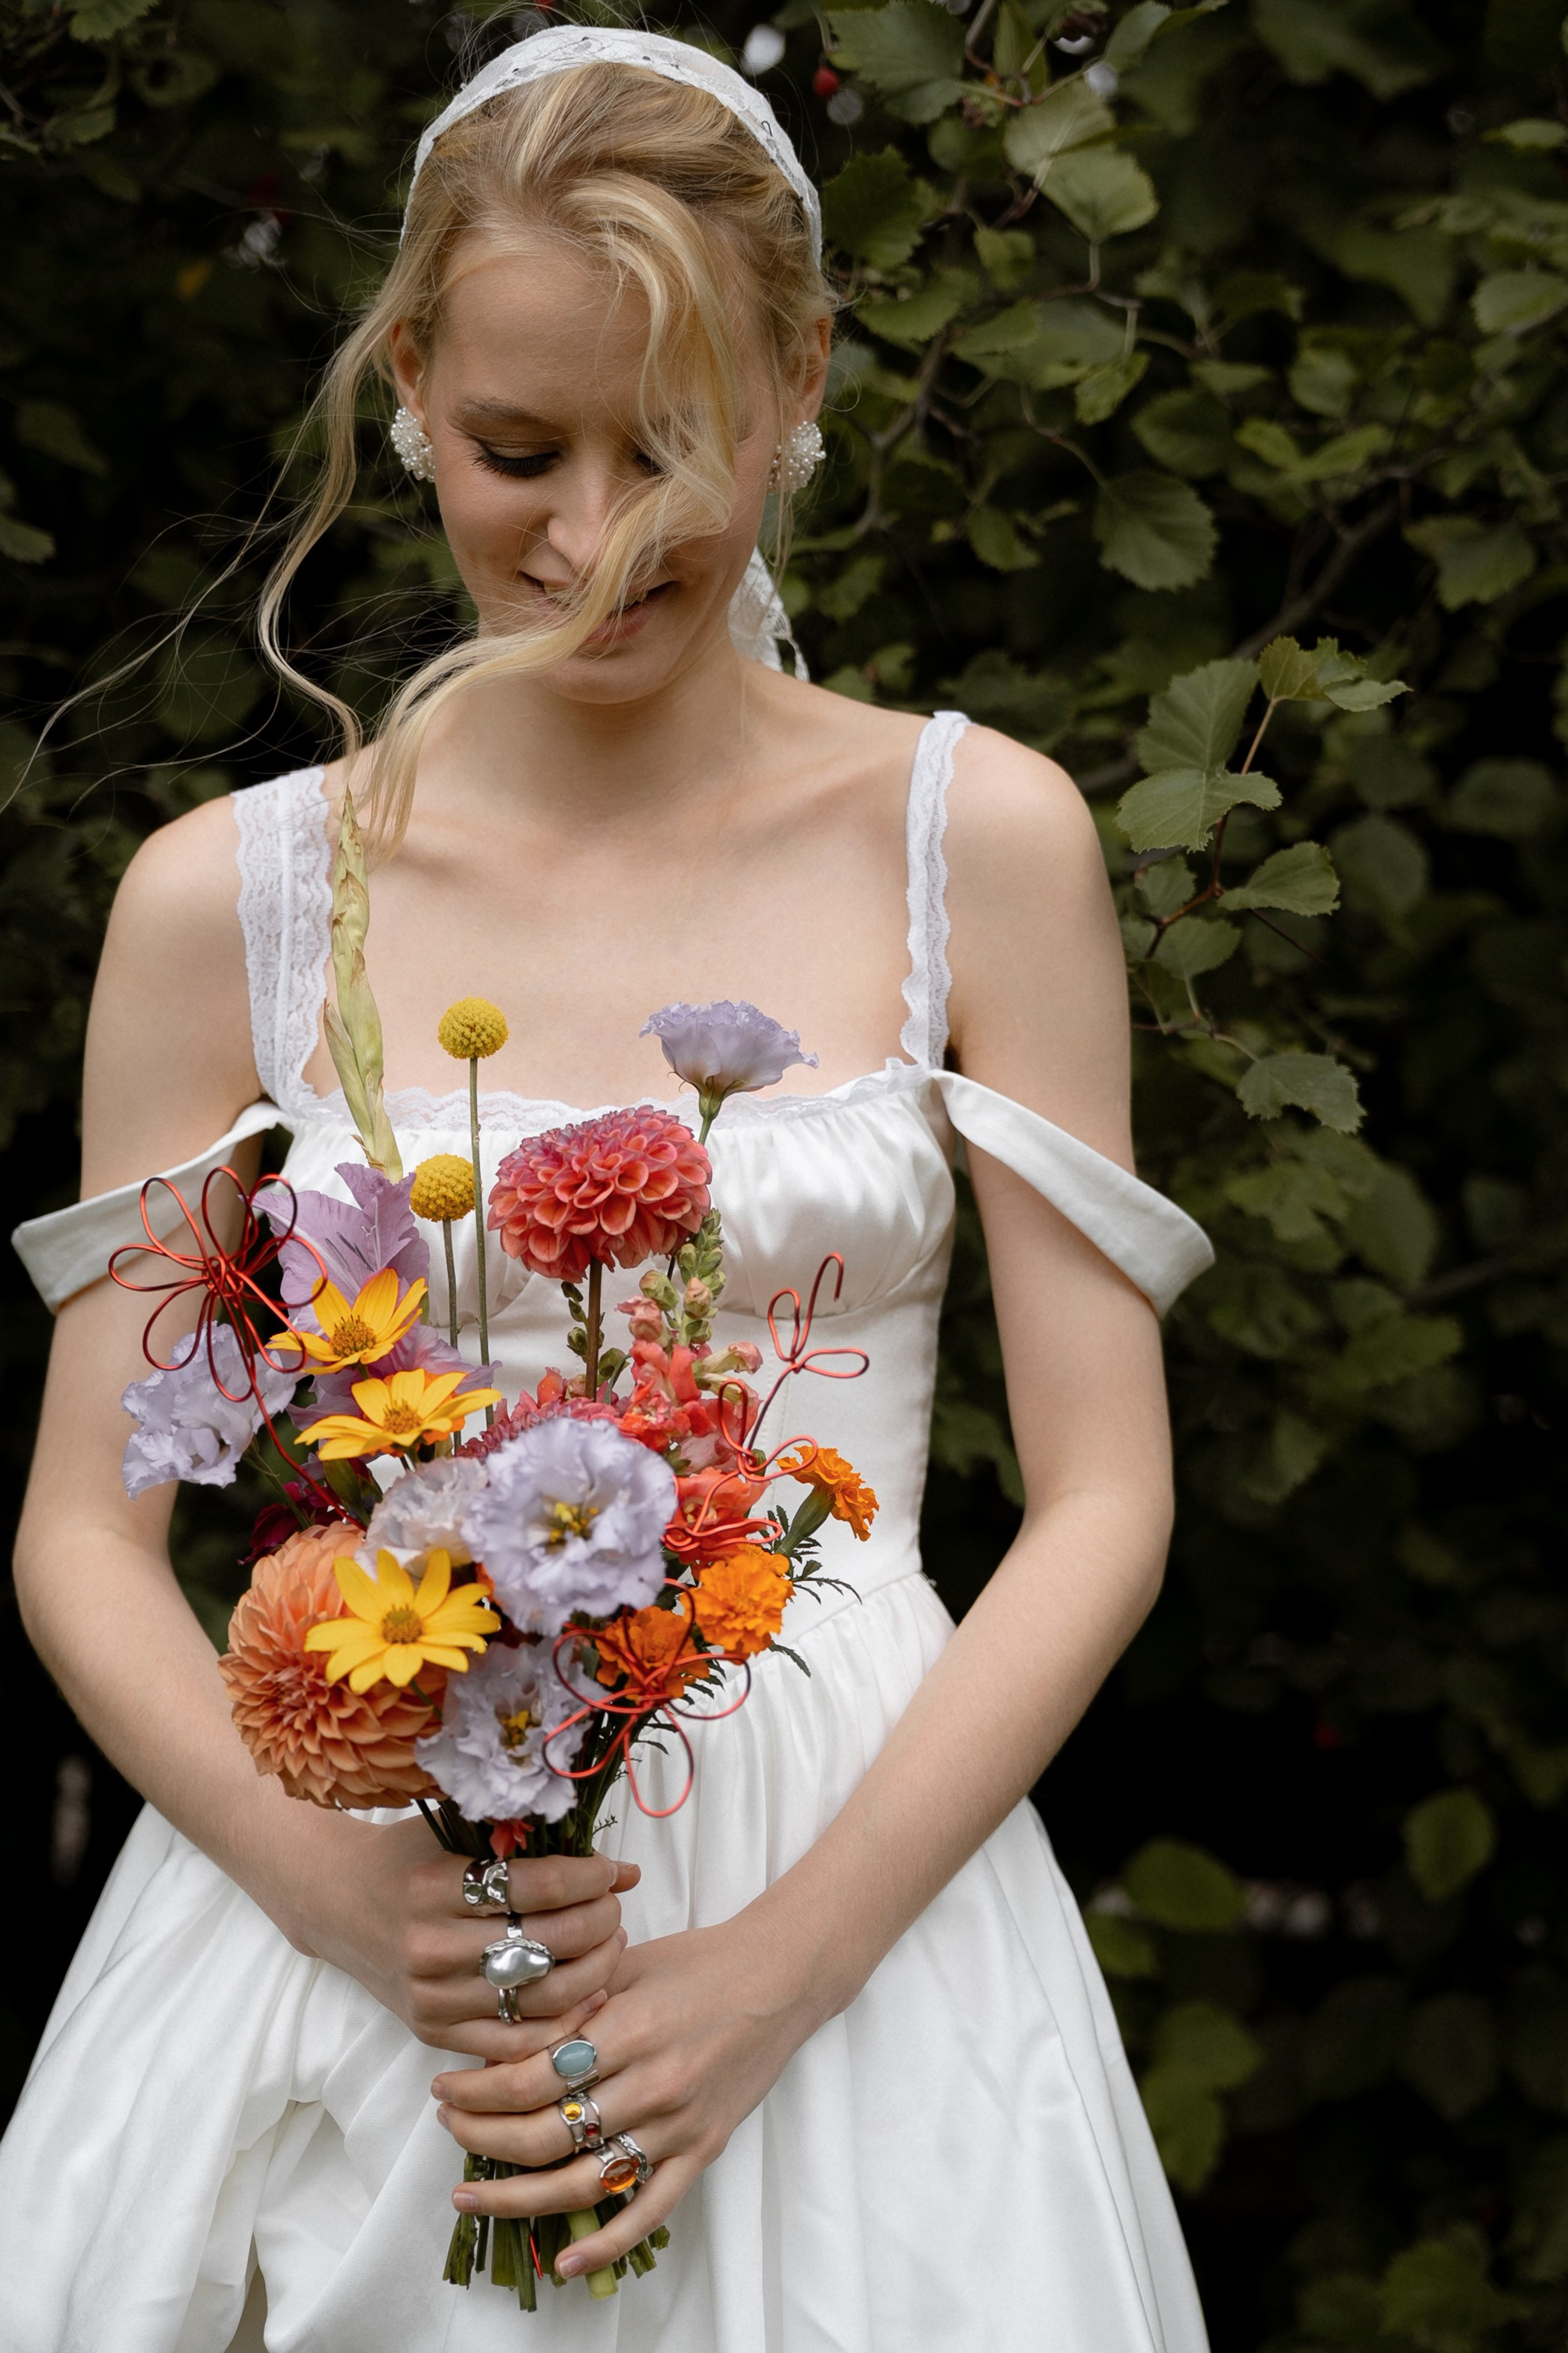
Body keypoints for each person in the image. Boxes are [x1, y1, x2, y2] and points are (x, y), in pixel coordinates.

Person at [3, 29, 1215, 2352]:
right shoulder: (230, 900)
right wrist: (349, 1905)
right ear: (413, 399)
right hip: (369, 1898)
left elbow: (1104, 1500)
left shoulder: (987, 839)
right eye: (514, 452)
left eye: (671, 447)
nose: (595, 538)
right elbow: (78, 1528)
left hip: (865, 1896)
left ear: (802, 378)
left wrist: (777, 1973)